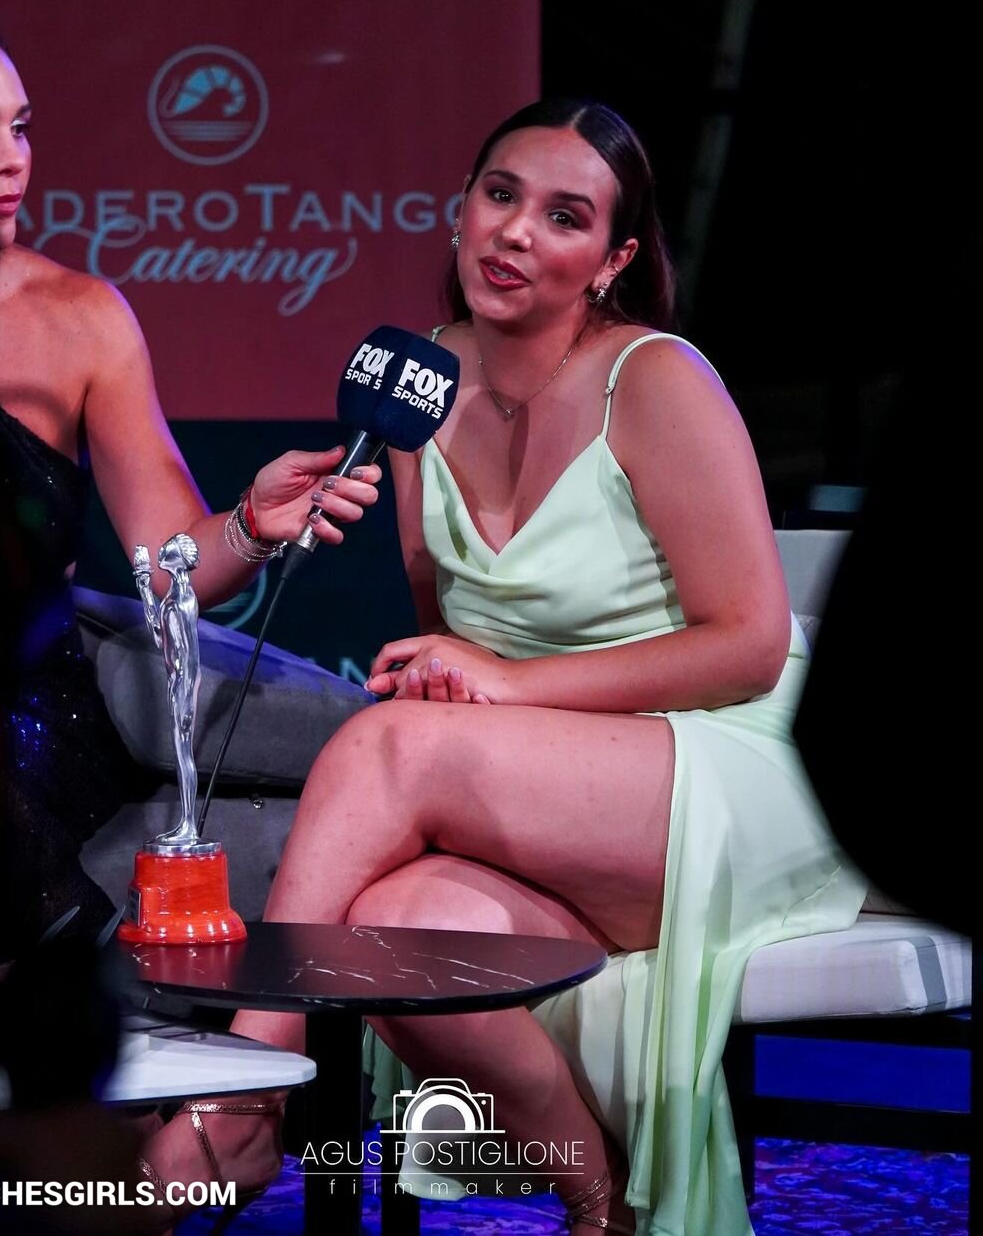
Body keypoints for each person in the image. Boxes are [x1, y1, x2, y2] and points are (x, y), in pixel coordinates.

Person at [143, 98, 867, 1232]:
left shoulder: (656, 379)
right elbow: (458, 640)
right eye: (500, 195)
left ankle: (243, 1094)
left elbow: (747, 643)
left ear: (614, 259)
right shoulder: (422, 384)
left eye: (565, 216)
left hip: (728, 761)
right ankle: (598, 1203)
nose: (517, 231)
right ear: (459, 210)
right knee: (384, 934)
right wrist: (464, 679)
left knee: (391, 746)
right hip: (565, 790)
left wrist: (509, 689)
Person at [0, 0, 381, 958]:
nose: (12, 160)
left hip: (29, 716)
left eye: (20, 128)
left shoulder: (82, 319)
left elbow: (169, 564)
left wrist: (248, 523)